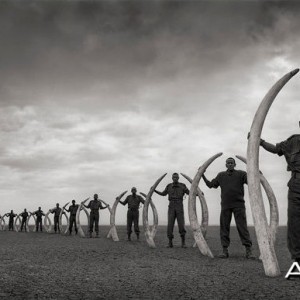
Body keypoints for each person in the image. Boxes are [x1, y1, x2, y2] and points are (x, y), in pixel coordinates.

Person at [258, 127, 300, 263]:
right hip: (296, 185)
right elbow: (276, 149)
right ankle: (297, 259)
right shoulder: (293, 141)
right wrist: (260, 141)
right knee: (294, 223)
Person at [202, 157, 254, 259]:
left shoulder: (241, 174)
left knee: (242, 227)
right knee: (224, 228)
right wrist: (202, 174)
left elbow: (252, 181)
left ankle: (248, 251)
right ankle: (224, 251)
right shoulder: (221, 175)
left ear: (235, 165)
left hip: (239, 205)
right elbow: (211, 185)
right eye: (228, 163)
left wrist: (256, 173)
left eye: (231, 163)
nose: (230, 164)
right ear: (226, 165)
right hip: (225, 206)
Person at [154, 173, 189, 248]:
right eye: (174, 177)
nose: (175, 178)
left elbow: (190, 192)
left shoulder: (183, 186)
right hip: (171, 206)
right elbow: (163, 193)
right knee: (170, 224)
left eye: (176, 177)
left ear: (178, 178)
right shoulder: (169, 186)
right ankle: (170, 243)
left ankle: (183, 243)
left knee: (181, 224)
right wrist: (154, 190)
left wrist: (198, 193)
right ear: (172, 178)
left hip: (179, 205)